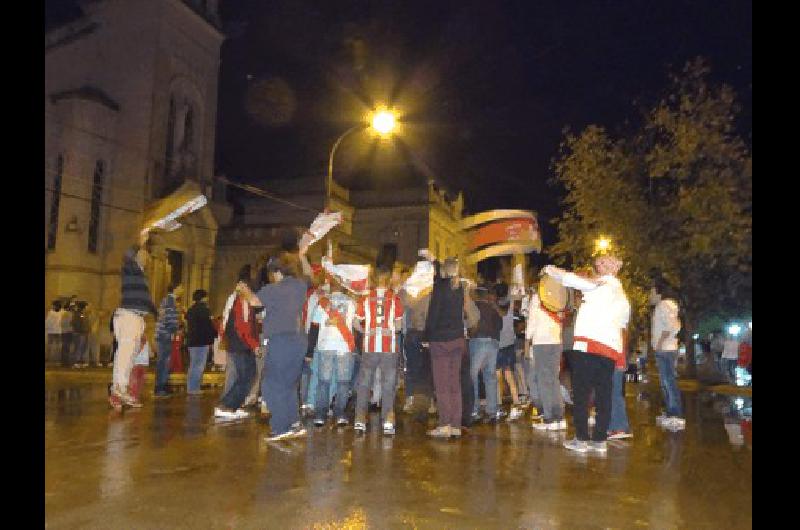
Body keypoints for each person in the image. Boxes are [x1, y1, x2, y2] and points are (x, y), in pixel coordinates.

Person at [544, 254, 631, 454]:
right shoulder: (622, 297)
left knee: (581, 394)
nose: (596, 267)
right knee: (604, 396)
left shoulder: (600, 284)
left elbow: (571, 279)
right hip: (609, 351)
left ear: (608, 268)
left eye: (600, 264)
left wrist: (551, 270)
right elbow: (622, 326)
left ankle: (581, 438)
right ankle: (599, 440)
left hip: (588, 347)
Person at [238, 240, 313, 441]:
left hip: (281, 340)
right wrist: (301, 254)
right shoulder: (299, 286)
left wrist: (244, 290)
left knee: (271, 385)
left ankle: (281, 427)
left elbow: (255, 302)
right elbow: (308, 275)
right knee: (288, 384)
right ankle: (295, 423)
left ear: (276, 272)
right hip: (298, 341)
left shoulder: (272, 289)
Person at [424, 258, 475, 438]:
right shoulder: (460, 288)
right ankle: (455, 424)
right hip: (457, 340)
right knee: (454, 383)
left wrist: (426, 337)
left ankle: (444, 423)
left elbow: (433, 314)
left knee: (442, 383)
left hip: (441, 340)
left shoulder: (440, 288)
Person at [353, 267, 405, 436]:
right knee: (388, 384)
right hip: (389, 348)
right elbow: (398, 326)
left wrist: (366, 332)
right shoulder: (395, 299)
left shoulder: (365, 299)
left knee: (365, 384)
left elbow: (355, 322)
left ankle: (360, 420)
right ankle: (388, 421)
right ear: (388, 280)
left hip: (370, 347)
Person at [110, 232, 157, 410]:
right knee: (125, 354)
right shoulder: (130, 269)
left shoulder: (141, 277)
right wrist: (140, 241)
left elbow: (147, 301)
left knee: (131, 356)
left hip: (137, 318)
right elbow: (127, 255)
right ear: (138, 257)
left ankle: (120, 392)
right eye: (145, 255)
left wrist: (155, 313)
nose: (147, 259)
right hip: (129, 316)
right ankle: (118, 388)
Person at [214, 268, 261, 420]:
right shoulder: (242, 300)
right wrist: (254, 345)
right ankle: (226, 406)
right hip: (241, 344)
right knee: (246, 375)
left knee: (244, 375)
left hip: (236, 343)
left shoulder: (234, 299)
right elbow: (244, 326)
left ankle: (232, 406)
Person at [311, 275, 357, 427]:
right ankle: (339, 414)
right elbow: (356, 323)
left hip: (326, 346)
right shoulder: (351, 303)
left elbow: (315, 325)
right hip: (344, 346)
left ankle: (320, 415)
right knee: (343, 383)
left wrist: (310, 349)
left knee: (324, 382)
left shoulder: (323, 302)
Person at [525, 280, 566, 432]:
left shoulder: (538, 298)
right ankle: (559, 417)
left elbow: (532, 321)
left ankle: (549, 418)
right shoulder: (557, 298)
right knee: (553, 379)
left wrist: (528, 338)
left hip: (541, 342)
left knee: (543, 381)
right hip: (556, 341)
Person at [650, 281, 686, 430]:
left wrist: (659, 344)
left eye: (651, 292)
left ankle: (675, 415)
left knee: (668, 381)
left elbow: (670, 326)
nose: (649, 296)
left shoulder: (663, 305)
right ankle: (670, 411)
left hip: (665, 349)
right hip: (668, 347)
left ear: (659, 293)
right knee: (666, 381)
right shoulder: (670, 305)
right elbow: (676, 324)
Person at [468, 286, 502, 423]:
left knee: (473, 376)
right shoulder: (493, 309)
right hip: (493, 342)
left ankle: (474, 410)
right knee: (490, 376)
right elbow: (499, 325)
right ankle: (492, 411)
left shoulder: (474, 307)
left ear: (476, 295)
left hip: (478, 340)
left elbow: (470, 325)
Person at [185, 289, 217, 395]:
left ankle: (190, 387)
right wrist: (214, 336)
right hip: (202, 341)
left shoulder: (191, 310)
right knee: (199, 365)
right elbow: (208, 326)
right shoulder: (204, 310)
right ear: (203, 298)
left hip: (192, 341)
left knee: (193, 364)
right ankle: (194, 388)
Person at [154, 285, 181, 398]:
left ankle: (161, 386)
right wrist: (175, 330)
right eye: (181, 287)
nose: (182, 290)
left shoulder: (167, 300)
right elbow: (170, 319)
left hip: (162, 334)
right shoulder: (170, 301)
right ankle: (161, 388)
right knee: (164, 362)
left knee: (163, 362)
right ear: (175, 288)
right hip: (165, 335)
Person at [72, 301, 91, 368]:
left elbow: (86, 323)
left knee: (83, 347)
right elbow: (75, 323)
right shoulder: (78, 314)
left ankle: (81, 361)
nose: (88, 307)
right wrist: (79, 330)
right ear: (84, 307)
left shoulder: (84, 314)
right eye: (87, 306)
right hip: (80, 333)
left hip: (84, 333)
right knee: (79, 347)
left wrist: (88, 330)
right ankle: (76, 362)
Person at [60, 299, 75, 367]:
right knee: (66, 346)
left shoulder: (69, 314)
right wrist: (71, 324)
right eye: (72, 307)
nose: (74, 308)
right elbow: (63, 323)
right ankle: (65, 362)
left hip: (68, 332)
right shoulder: (67, 314)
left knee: (67, 347)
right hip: (67, 332)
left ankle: (65, 361)